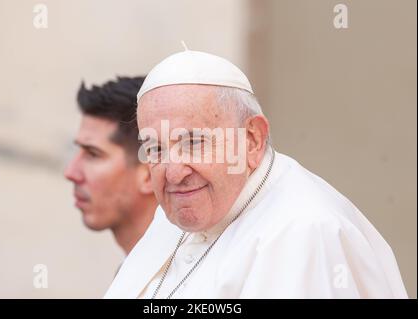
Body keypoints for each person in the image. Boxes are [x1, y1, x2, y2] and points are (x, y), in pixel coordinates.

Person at [104, 50, 407, 298]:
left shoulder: (304, 231)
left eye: (193, 143)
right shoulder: (179, 211)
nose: (173, 173)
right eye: (155, 148)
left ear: (252, 139)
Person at [64, 76, 158, 255]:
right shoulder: (134, 275)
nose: (70, 173)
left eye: (93, 154)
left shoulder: (195, 280)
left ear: (149, 174)